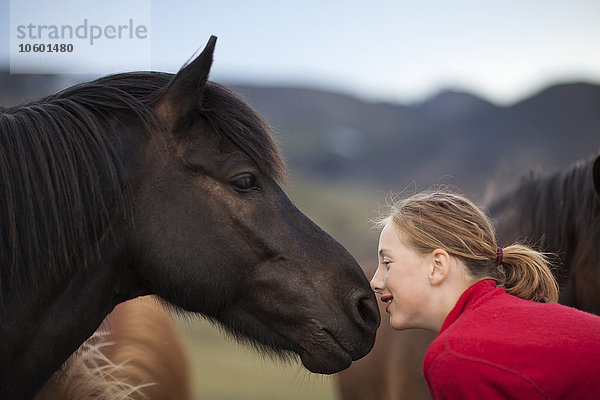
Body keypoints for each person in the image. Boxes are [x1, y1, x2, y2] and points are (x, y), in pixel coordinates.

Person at [370, 190, 600, 400]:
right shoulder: (506, 323)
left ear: (437, 266)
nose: (375, 282)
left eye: (388, 263)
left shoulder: (455, 357)